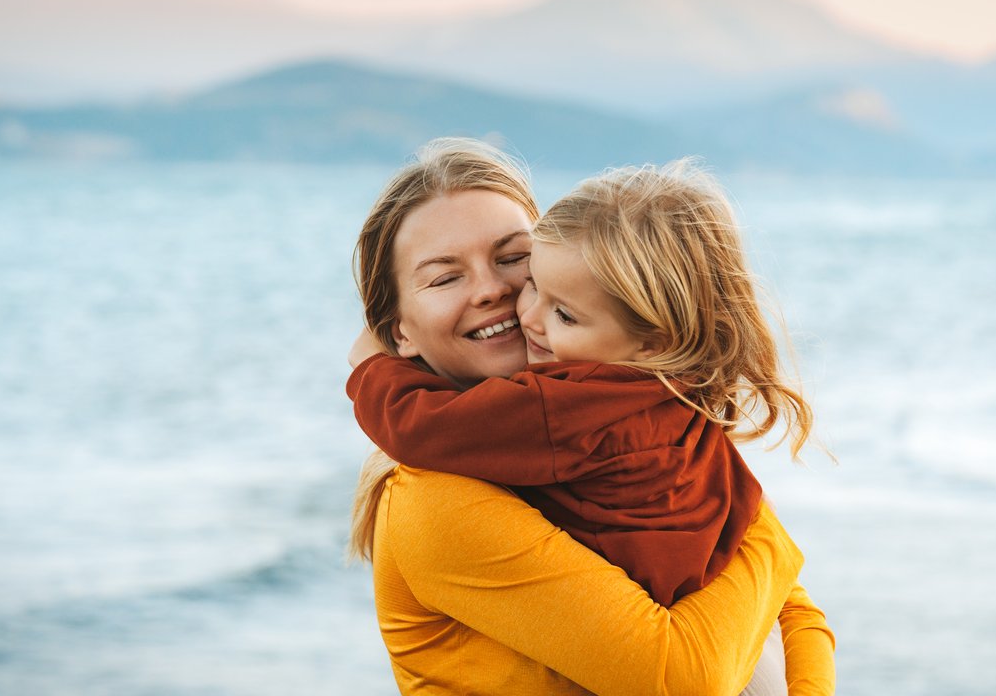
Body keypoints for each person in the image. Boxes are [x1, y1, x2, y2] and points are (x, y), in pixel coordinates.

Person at [346, 138, 835, 695]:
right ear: (398, 332)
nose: (495, 290)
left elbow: (798, 618)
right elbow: (685, 678)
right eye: (444, 277)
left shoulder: (626, 420)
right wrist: (769, 538)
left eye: (515, 260)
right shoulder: (436, 498)